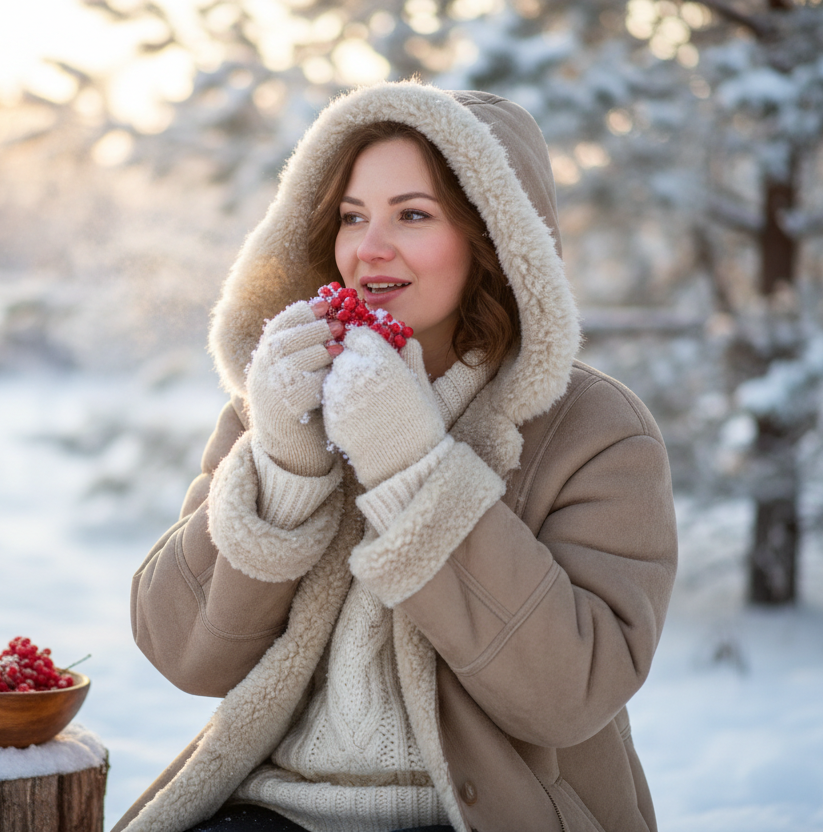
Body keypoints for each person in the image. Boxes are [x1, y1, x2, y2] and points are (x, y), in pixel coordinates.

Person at [113, 82, 678, 832]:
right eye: (352, 216)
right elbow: (183, 653)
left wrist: (413, 467)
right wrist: (283, 470)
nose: (367, 248)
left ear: (495, 236)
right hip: (273, 810)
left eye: (412, 214)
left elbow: (571, 692)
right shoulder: (287, 399)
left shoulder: (594, 429)